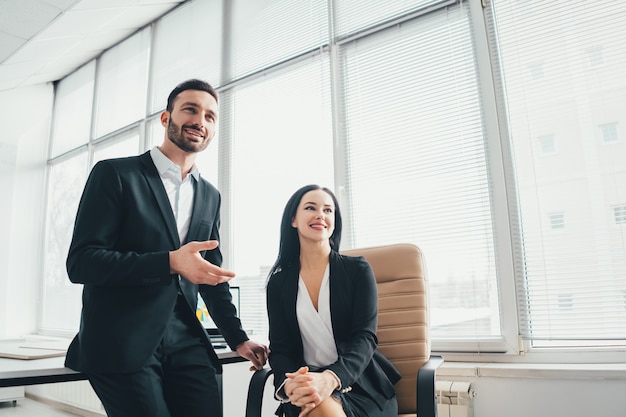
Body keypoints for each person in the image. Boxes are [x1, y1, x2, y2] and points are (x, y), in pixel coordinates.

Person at [65, 79, 268, 417]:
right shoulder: (115, 174)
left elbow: (210, 276)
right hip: (122, 339)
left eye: (210, 116)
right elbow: (82, 263)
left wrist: (239, 339)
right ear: (165, 118)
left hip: (186, 339)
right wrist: (169, 262)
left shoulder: (210, 195)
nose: (199, 121)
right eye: (190, 109)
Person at [266, 184, 401, 417]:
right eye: (311, 207)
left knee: (321, 408)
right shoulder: (278, 283)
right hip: (307, 384)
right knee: (317, 405)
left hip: (360, 385)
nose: (321, 214)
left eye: (328, 210)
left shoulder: (357, 270)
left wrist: (330, 379)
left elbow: (365, 337)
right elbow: (280, 348)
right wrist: (289, 385)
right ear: (293, 220)